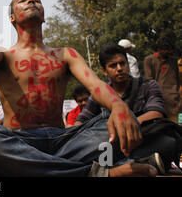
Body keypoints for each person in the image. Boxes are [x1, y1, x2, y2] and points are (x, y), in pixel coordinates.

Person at [0, 0, 155, 177]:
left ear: (44, 14)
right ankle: (95, 173)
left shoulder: (66, 54)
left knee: (119, 123)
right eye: (24, 0)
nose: (31, 1)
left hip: (65, 140)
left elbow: (96, 85)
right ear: (12, 17)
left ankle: (28, 169)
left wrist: (119, 106)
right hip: (20, 140)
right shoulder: (4, 56)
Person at [76, 43, 181, 173]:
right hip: (110, 145)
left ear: (127, 64)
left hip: (143, 140)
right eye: (113, 65)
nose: (119, 68)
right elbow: (81, 120)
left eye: (122, 63)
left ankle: (120, 166)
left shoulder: (148, 86)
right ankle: (136, 164)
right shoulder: (99, 95)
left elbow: (156, 112)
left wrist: (127, 126)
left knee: (169, 143)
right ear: (104, 71)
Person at [144, 37, 181, 123]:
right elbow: (149, 80)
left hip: (175, 99)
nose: (169, 52)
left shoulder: (173, 61)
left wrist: (178, 91)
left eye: (170, 50)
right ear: (159, 49)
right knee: (162, 124)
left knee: (179, 122)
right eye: (167, 50)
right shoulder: (149, 60)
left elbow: (177, 78)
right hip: (159, 98)